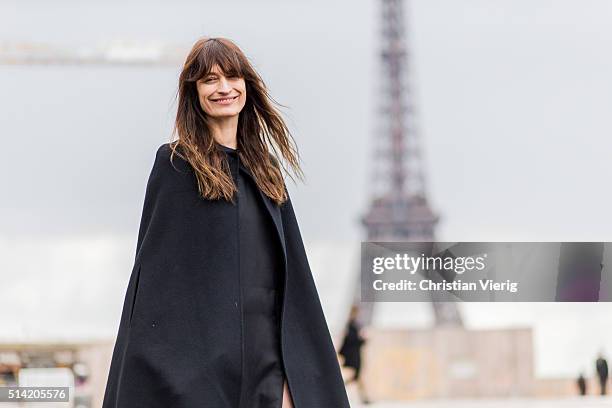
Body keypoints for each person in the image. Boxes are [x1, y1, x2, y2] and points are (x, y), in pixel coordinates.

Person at [102, 37, 350, 408]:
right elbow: (156, 282)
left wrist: (293, 374)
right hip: (203, 372)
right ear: (194, 92)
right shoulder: (177, 165)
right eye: (209, 80)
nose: (223, 88)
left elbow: (289, 278)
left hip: (267, 364)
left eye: (232, 77)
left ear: (247, 85)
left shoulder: (265, 170)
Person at [339, 305, 370, 404]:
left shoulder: (353, 325)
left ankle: (363, 399)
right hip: (352, 357)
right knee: (354, 377)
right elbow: (350, 341)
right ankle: (339, 393)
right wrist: (362, 339)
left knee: (355, 378)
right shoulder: (351, 326)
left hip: (353, 356)